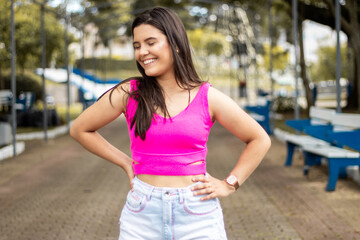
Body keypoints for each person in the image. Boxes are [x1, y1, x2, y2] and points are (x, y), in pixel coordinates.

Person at [70, 6, 271, 240]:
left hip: (196, 213)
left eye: (150, 42)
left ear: (175, 43)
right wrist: (126, 163)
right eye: (137, 45)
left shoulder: (207, 96)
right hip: (142, 214)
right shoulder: (130, 93)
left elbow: (259, 139)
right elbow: (80, 129)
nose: (142, 52)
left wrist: (229, 184)